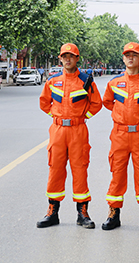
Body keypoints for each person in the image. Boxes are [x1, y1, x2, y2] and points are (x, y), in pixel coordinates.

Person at [36, 43, 102, 229]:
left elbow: (96, 104)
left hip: (78, 130)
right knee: (55, 169)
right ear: (60, 58)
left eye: (71, 56)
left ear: (77, 58)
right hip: (57, 131)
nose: (67, 59)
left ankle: (82, 214)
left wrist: (82, 117)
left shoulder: (86, 80)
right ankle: (52, 212)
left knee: (80, 169)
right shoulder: (53, 80)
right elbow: (44, 103)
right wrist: (56, 117)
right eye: (64, 56)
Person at [101, 42, 139, 232]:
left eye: (135, 55)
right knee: (117, 174)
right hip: (119, 134)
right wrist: (122, 119)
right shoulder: (114, 83)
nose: (130, 58)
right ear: (123, 58)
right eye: (127, 54)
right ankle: (114, 214)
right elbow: (108, 102)